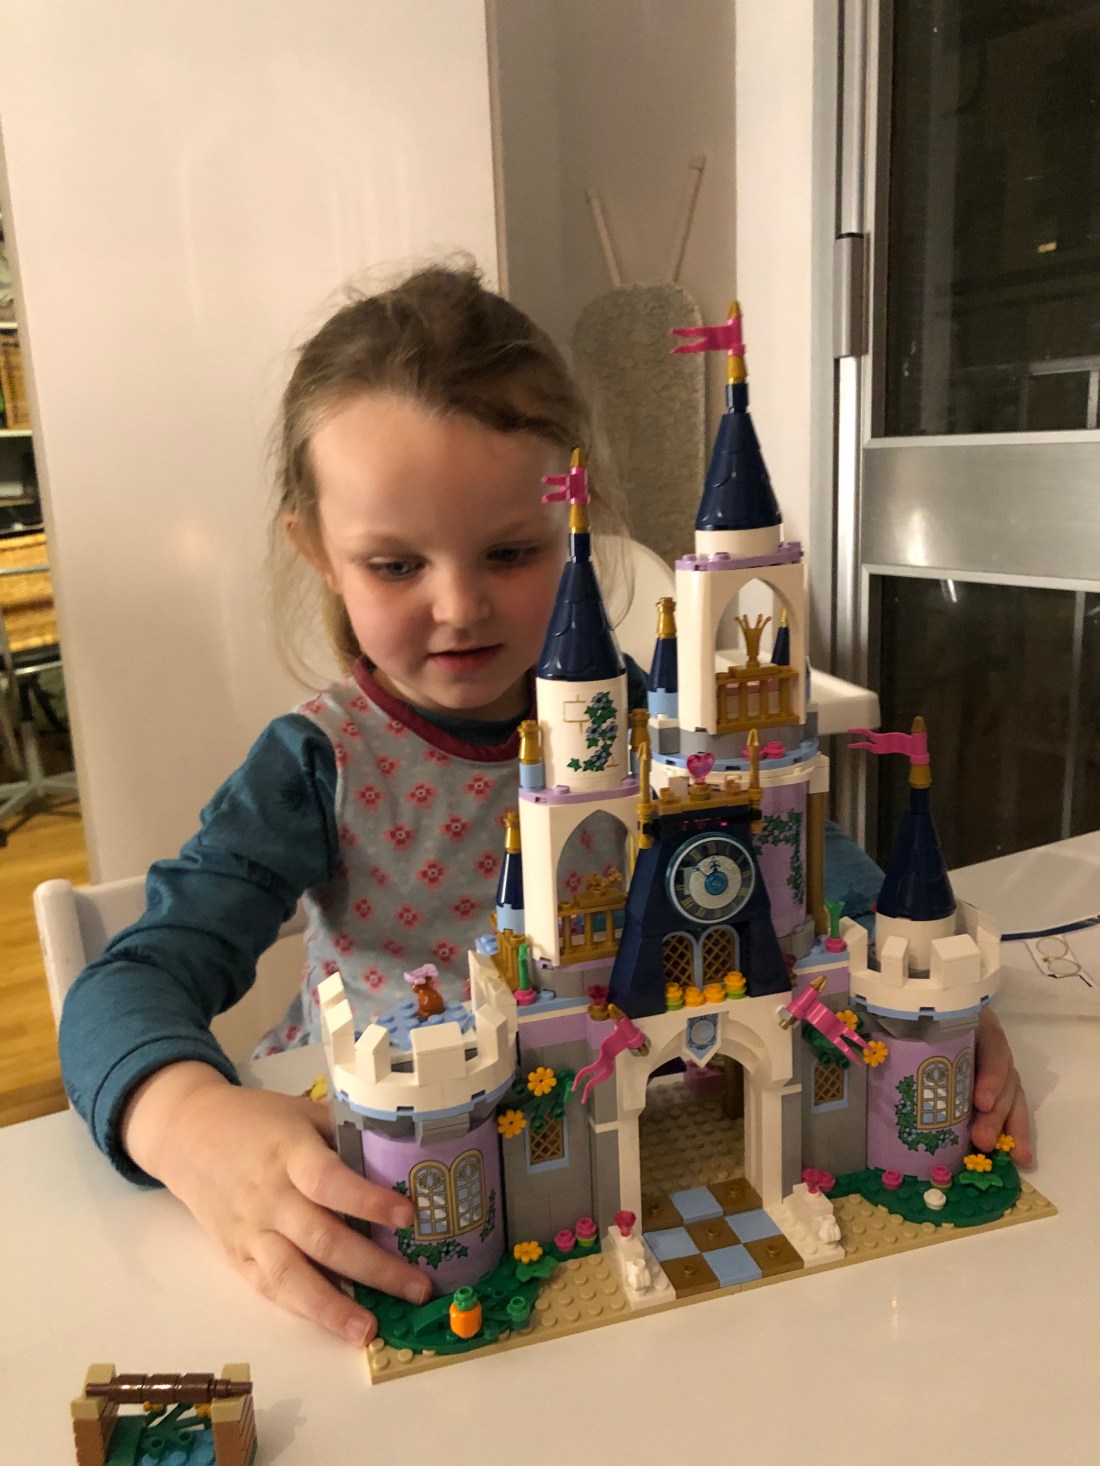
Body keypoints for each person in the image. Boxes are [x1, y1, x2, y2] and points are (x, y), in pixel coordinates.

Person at [58, 262, 1030, 1350]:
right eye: (394, 563)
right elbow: (126, 985)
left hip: (639, 1135)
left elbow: (810, 868)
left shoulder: (658, 719)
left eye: (510, 552)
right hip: (398, 1171)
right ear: (317, 553)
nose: (459, 604)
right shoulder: (314, 762)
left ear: (576, 523)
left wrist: (918, 982)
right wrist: (189, 1122)